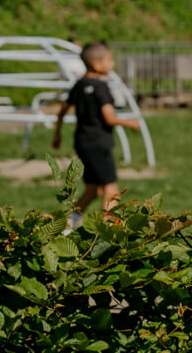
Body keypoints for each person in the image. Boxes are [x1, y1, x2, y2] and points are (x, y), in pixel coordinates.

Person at [50, 42, 142, 221]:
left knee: (93, 190)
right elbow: (109, 118)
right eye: (109, 59)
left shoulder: (79, 85)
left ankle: (67, 226)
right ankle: (108, 234)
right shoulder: (101, 87)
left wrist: (57, 134)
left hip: (82, 142)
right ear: (97, 64)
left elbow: (62, 110)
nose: (112, 63)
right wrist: (131, 123)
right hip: (99, 143)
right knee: (111, 191)